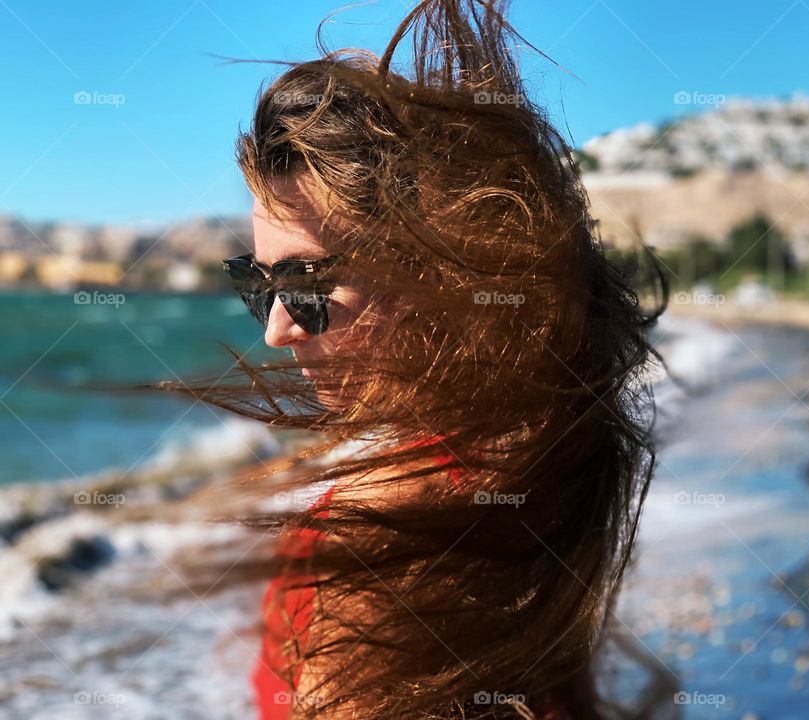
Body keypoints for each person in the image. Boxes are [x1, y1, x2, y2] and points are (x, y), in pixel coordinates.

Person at [166, 1, 669, 717]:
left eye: (308, 285)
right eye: (260, 285)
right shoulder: (541, 455)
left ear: (440, 279)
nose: (277, 330)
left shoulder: (388, 539)